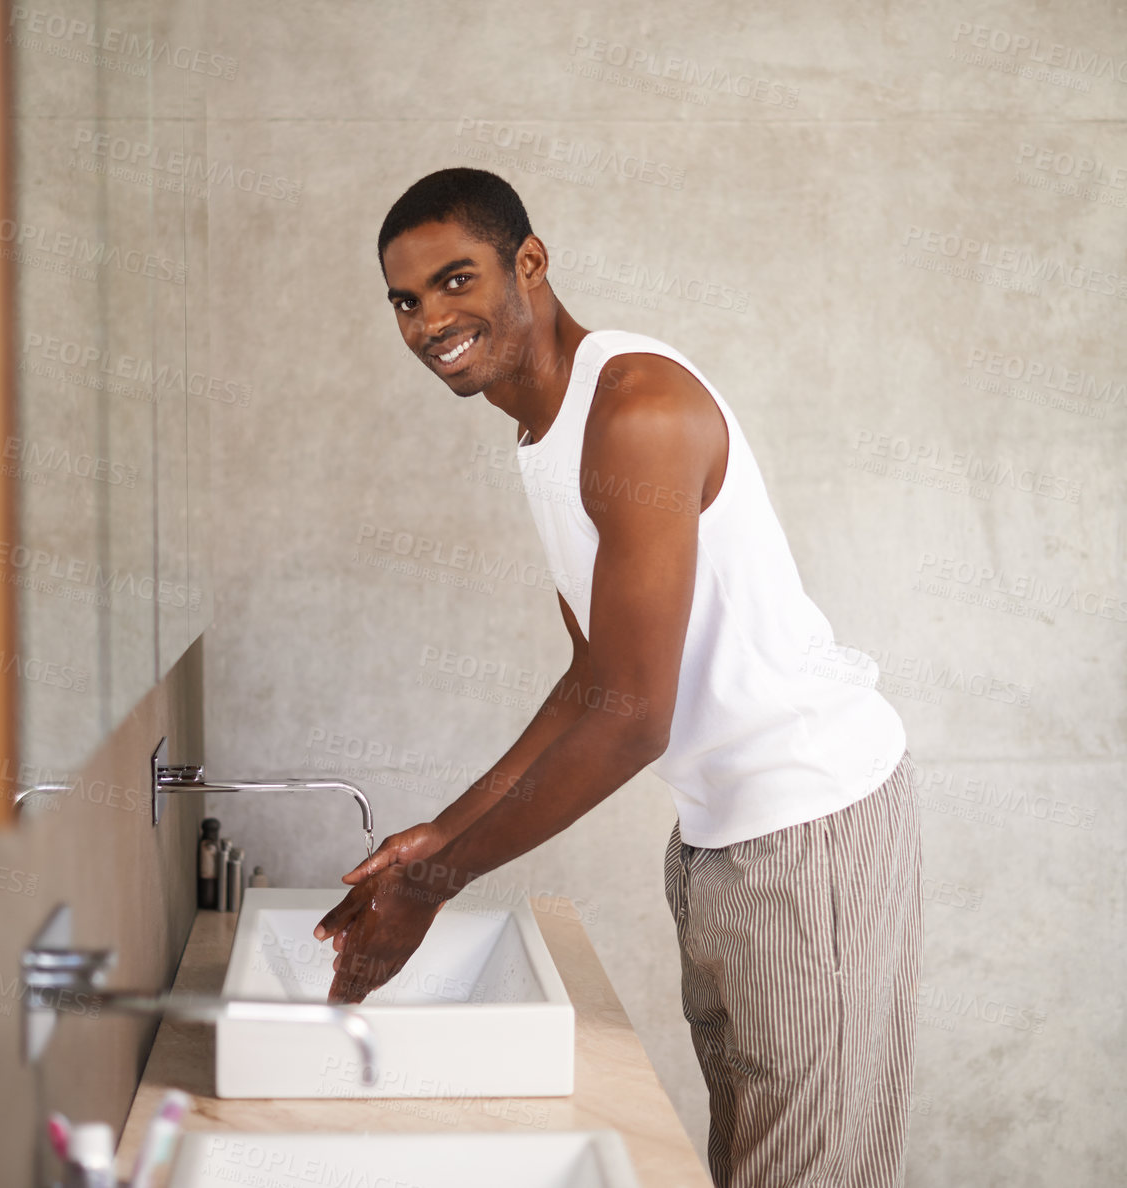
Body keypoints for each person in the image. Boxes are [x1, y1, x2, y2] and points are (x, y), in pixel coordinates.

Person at [314, 167, 921, 1187]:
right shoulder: (542, 432)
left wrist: (433, 884)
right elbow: (594, 673)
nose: (428, 321)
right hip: (719, 841)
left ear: (530, 265)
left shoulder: (632, 408)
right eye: (405, 301)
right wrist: (440, 833)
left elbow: (633, 720)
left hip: (810, 830)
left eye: (455, 281)